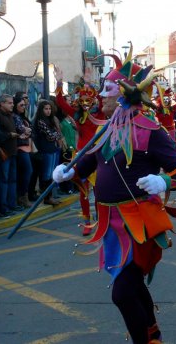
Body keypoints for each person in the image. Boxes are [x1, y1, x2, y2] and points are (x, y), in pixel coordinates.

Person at [52, 50, 176, 344]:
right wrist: (67, 171)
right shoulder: (105, 130)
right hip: (110, 224)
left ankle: (145, 340)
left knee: (122, 292)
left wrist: (163, 180)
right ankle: (152, 334)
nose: (101, 95)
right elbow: (88, 164)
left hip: (139, 222)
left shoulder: (151, 131)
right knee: (131, 283)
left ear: (127, 93)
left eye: (108, 89)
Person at [54, 70, 103, 235]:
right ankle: (87, 221)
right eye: (82, 100)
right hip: (81, 155)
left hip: (97, 155)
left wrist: (91, 84)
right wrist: (59, 82)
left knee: (99, 191)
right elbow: (60, 102)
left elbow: (104, 100)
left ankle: (101, 219)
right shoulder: (76, 115)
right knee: (83, 191)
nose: (85, 103)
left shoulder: (100, 113)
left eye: (88, 99)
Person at [0, 94, 25, 216]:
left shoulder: (10, 115)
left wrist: (18, 134)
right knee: (4, 180)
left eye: (12, 103)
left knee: (12, 179)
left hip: (13, 151)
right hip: (4, 153)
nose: (12, 105)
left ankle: (12, 204)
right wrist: (10, 135)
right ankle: (4, 206)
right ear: (1, 104)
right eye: (9, 103)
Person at [33, 100, 63, 206]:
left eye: (50, 109)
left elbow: (57, 134)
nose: (48, 111)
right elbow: (51, 136)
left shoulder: (50, 120)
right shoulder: (40, 121)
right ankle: (47, 197)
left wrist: (55, 134)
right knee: (46, 175)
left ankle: (50, 196)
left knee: (51, 175)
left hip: (53, 149)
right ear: (41, 110)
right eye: (46, 109)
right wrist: (55, 134)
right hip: (45, 150)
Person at [13, 95, 34, 208]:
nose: (23, 107)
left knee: (26, 173)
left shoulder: (23, 117)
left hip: (27, 147)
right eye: (21, 105)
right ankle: (22, 197)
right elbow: (21, 129)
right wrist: (26, 130)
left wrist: (27, 131)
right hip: (20, 148)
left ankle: (23, 197)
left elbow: (30, 130)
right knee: (27, 172)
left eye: (24, 105)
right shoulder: (15, 116)